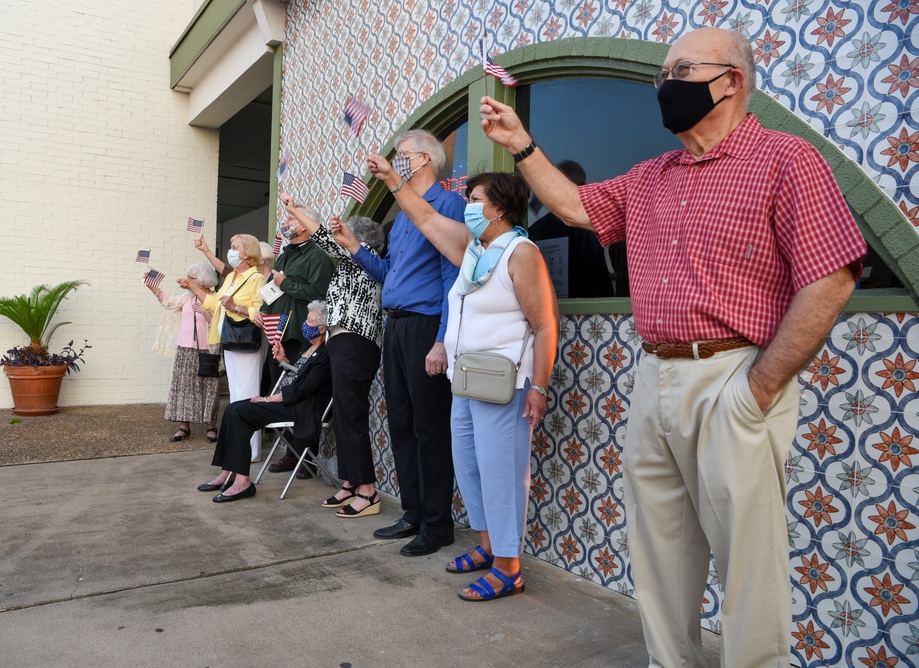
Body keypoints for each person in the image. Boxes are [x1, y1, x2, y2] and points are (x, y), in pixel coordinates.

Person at [479, 27, 867, 667]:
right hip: (654, 375)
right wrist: (522, 144)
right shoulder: (652, 174)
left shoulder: (786, 160)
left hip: (735, 376)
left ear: (732, 81)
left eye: (681, 70)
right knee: (659, 556)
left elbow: (829, 277)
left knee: (747, 564)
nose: (665, 85)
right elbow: (576, 205)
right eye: (662, 74)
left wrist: (759, 387)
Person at [367, 161, 558, 601]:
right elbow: (427, 218)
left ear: (500, 208)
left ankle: (508, 567)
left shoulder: (520, 253)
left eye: (474, 201)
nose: (467, 207)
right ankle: (488, 548)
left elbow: (546, 324)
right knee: (470, 469)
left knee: (502, 474)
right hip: (466, 380)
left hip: (504, 384)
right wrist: (394, 181)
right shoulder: (473, 249)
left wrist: (540, 387)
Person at [333, 129, 465, 556]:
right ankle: (412, 513)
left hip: (426, 328)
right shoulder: (404, 215)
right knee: (402, 424)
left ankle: (437, 523)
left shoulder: (448, 205)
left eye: (403, 155)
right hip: (396, 327)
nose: (399, 161)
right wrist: (354, 247)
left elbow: (451, 280)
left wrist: (442, 340)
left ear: (425, 159)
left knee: (430, 429)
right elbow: (390, 273)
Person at [281, 192, 385, 517]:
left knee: (351, 414)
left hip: (356, 342)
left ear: (361, 240)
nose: (341, 239)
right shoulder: (347, 265)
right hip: (340, 341)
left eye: (348, 235)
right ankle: (350, 483)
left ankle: (367, 491)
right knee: (341, 415)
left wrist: (296, 209)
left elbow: (323, 237)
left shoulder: (363, 257)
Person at [200, 301, 332, 502]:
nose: (305, 323)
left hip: (301, 408)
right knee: (232, 409)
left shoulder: (325, 353)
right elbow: (297, 375)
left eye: (310, 320)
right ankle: (228, 472)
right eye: (306, 318)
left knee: (240, 412)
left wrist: (269, 398)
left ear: (322, 328)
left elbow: (305, 388)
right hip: (287, 403)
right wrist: (283, 361)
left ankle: (242, 482)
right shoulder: (307, 347)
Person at [254, 209, 334, 477]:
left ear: (305, 225)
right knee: (281, 394)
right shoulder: (287, 253)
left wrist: (286, 282)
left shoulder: (319, 255)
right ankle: (289, 450)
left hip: (304, 336)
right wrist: (263, 309)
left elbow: (317, 293)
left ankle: (302, 458)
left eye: (292, 220)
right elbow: (272, 285)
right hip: (279, 334)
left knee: (302, 396)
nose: (286, 224)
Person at [181, 234, 269, 464]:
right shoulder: (231, 276)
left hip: (247, 342)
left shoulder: (256, 278)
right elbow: (214, 304)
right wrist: (193, 286)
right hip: (230, 341)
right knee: (236, 394)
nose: (230, 250)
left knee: (248, 395)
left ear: (246, 253)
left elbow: (261, 313)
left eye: (234, 247)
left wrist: (236, 306)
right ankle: (238, 446)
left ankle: (251, 451)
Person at [527, 160, 628, 298]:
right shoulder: (589, 226)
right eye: (584, 184)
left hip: (551, 304)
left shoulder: (535, 230)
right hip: (593, 310)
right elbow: (594, 273)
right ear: (577, 187)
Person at [145, 262, 221, 442]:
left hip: (207, 350)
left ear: (202, 280)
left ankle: (210, 426)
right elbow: (169, 302)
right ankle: (184, 427)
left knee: (208, 388)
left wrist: (205, 312)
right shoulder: (187, 297)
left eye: (191, 278)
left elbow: (219, 324)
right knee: (184, 389)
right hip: (185, 349)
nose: (187, 281)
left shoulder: (215, 298)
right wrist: (153, 288)